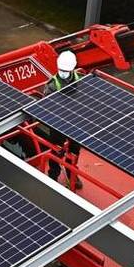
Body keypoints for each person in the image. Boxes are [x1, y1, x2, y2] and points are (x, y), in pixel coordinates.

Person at [42, 50, 83, 185]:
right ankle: (53, 175)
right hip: (57, 124)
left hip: (76, 122)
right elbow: (47, 108)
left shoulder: (81, 79)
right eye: (61, 70)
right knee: (56, 150)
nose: (63, 73)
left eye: (66, 70)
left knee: (74, 151)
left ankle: (71, 174)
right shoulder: (52, 85)